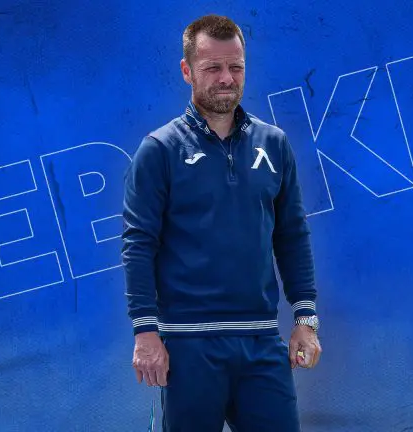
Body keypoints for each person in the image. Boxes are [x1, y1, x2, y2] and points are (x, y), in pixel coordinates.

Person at [121, 13, 322, 432]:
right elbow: (138, 245)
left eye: (236, 67)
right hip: (188, 345)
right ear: (187, 71)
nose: (227, 78)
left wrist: (305, 319)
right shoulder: (159, 149)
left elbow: (292, 235)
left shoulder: (274, 144)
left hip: (261, 342)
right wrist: (145, 331)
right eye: (213, 67)